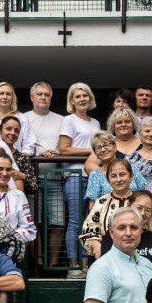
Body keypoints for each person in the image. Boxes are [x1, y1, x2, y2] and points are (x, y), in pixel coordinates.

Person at [59, 82, 101, 270]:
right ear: (72, 101)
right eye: (78, 96)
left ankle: (85, 264)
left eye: (85, 95)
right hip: (75, 175)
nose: (82, 99)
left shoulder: (96, 123)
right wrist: (93, 150)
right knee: (75, 220)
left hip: (92, 175)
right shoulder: (69, 120)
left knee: (89, 220)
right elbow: (64, 149)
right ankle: (73, 265)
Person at [80, 159, 151, 258]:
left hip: (139, 252)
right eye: (113, 176)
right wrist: (95, 244)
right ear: (108, 180)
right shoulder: (101, 202)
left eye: (122, 174)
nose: (118, 180)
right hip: (105, 254)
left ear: (131, 177)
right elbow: (89, 230)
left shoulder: (141, 201)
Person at [100, 191, 152, 271]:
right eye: (139, 208)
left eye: (148, 210)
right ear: (128, 205)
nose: (142, 213)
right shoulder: (114, 235)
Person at [84, 131, 146, 203]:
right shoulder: (95, 175)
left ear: (115, 147)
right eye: (98, 147)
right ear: (95, 153)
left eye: (106, 145)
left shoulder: (130, 168)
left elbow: (143, 193)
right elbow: (92, 205)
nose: (103, 149)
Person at [0, 82, 36, 153]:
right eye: (1, 93)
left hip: (15, 161)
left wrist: (22, 158)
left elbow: (29, 141)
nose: (5, 97)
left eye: (8, 94)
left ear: (13, 98)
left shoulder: (22, 118)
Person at [0, 115, 39, 195]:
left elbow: (34, 187)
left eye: (16, 131)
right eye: (8, 129)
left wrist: (22, 176)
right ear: (0, 131)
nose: (12, 133)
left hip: (16, 202)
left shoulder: (22, 157)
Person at [23, 81, 64, 157]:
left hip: (56, 166)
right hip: (30, 165)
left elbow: (64, 147)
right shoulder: (23, 119)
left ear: (50, 98)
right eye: (39, 94)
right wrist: (39, 154)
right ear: (32, 97)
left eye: (47, 95)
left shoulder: (62, 120)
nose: (43, 97)